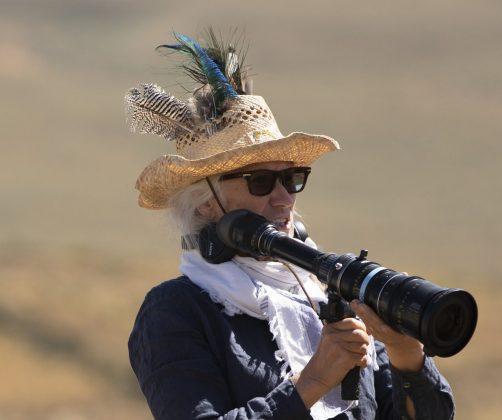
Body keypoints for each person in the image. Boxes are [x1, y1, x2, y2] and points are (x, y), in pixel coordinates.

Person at [126, 31, 455, 419]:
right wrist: (315, 381)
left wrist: (406, 354)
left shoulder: (331, 290)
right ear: (205, 204)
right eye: (260, 181)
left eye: (292, 179)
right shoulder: (176, 309)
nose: (284, 198)